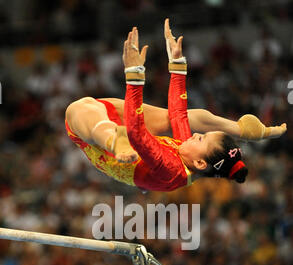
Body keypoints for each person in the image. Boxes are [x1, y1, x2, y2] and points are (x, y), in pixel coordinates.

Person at [65, 20, 287, 192]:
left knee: (81, 108)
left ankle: (114, 140)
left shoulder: (171, 170)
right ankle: (245, 131)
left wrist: (134, 76)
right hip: (125, 130)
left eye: (201, 138)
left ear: (200, 162)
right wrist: (178, 64)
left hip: (107, 145)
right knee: (192, 116)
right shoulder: (188, 157)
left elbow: (137, 132)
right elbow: (178, 114)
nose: (196, 135)